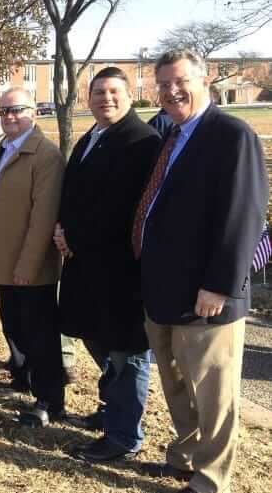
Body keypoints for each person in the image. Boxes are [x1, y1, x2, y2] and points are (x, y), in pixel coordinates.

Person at [136, 50, 267, 493]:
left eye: (180, 81)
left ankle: (210, 479)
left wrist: (219, 285)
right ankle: (185, 456)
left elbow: (243, 216)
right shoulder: (171, 136)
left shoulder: (231, 135)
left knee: (214, 397)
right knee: (175, 386)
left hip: (207, 296)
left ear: (205, 79)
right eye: (163, 85)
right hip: (164, 291)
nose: (172, 92)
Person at [54, 67, 161, 460]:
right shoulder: (93, 136)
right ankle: (110, 410)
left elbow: (124, 209)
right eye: (98, 92)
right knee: (96, 339)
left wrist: (74, 237)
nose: (105, 98)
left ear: (130, 95)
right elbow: (75, 191)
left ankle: (124, 437)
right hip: (85, 266)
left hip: (119, 271)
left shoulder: (141, 142)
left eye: (114, 91)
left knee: (127, 353)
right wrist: (62, 229)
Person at [0, 88, 65, 425]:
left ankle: (50, 401)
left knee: (41, 336)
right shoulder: (4, 148)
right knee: (17, 329)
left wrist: (27, 266)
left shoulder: (45, 155)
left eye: (17, 110)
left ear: (35, 112)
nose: (9, 116)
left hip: (29, 268)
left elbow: (43, 218)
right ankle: (29, 385)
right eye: (4, 111)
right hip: (5, 263)